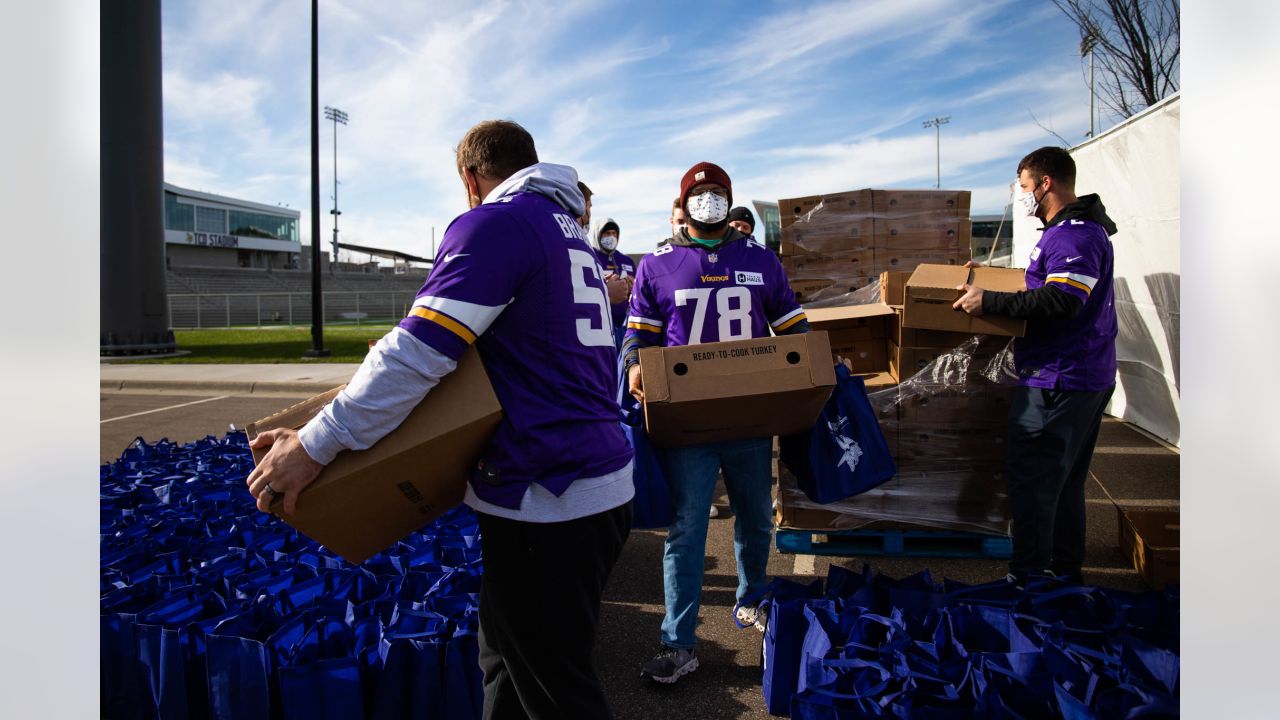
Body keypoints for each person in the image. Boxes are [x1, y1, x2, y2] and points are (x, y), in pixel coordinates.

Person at [245, 119, 635, 719]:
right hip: (587, 479)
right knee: (503, 664)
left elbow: (418, 353)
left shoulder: (498, 224)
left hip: (551, 491)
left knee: (557, 694)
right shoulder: (569, 233)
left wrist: (316, 443)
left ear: (470, 178)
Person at [623, 161, 809, 684]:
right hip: (691, 420)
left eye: (717, 192)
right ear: (684, 202)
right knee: (687, 530)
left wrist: (818, 357)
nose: (709, 200)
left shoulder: (760, 259)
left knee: (755, 520)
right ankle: (678, 641)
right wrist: (635, 364)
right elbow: (639, 334)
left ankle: (751, 599)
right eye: (700, 192)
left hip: (749, 415)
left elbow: (792, 323)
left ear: (730, 199)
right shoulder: (657, 263)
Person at [952, 145, 1118, 587]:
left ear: (1047, 183)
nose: (1023, 196)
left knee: (1035, 482)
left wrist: (989, 301)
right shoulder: (1067, 232)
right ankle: (1063, 572)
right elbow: (1043, 282)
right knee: (1062, 483)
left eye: (1025, 187)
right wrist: (989, 274)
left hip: (1061, 376)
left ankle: (1029, 578)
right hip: (1076, 373)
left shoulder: (1074, 234)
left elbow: (1063, 298)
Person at [589, 217, 636, 349]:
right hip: (601, 326)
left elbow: (639, 291)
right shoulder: (590, 256)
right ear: (597, 234)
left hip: (626, 326)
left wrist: (633, 288)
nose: (611, 237)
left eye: (614, 233)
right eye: (607, 233)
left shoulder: (626, 260)